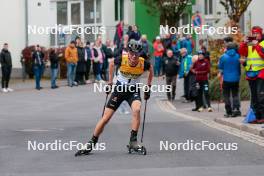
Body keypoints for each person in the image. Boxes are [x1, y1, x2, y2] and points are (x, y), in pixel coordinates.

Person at [75, 40, 154, 156]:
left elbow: (151, 70)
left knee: (137, 110)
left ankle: (133, 141)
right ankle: (91, 142)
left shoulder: (143, 63)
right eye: (131, 53)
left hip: (133, 90)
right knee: (106, 118)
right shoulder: (122, 59)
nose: (133, 56)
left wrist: (148, 86)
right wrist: (110, 82)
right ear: (128, 52)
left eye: (136, 54)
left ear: (139, 54)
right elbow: (111, 64)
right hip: (119, 90)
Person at [239, 26, 264, 124]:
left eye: (257, 33)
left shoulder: (262, 43)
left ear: (261, 34)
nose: (255, 35)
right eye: (253, 34)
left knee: (260, 96)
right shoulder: (249, 44)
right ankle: (255, 116)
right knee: (254, 97)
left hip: (261, 72)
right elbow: (242, 52)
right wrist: (243, 43)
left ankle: (262, 116)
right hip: (251, 73)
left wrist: (257, 45)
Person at [219, 42, 241, 117]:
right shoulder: (238, 56)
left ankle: (228, 111)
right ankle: (236, 109)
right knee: (235, 94)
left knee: (226, 95)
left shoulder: (223, 57)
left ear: (227, 48)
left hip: (226, 79)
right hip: (236, 78)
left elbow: (220, 68)